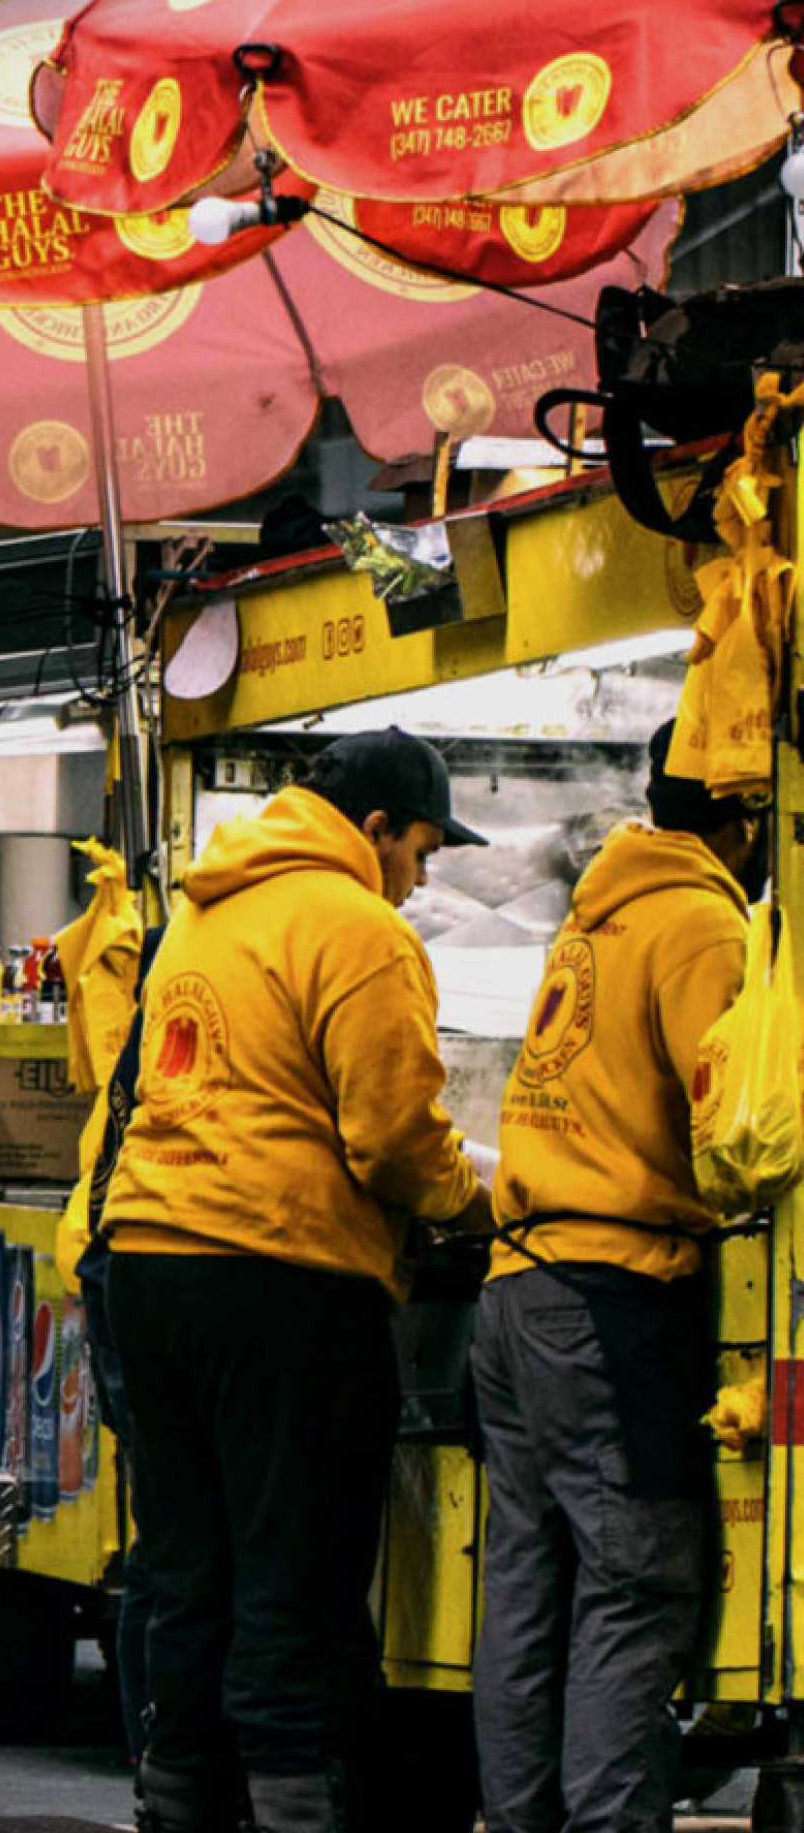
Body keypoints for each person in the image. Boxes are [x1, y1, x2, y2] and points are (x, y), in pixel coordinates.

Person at [100, 728, 490, 1833]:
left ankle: (177, 1802)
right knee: (296, 1567)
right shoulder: (358, 927)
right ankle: (293, 1811)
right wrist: (475, 1204)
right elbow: (393, 1141)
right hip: (283, 1276)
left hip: (150, 1268)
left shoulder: (205, 909)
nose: (418, 880)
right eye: (420, 850)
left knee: (192, 1564)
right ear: (375, 830)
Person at [472, 720, 763, 1833]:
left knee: (530, 1595)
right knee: (636, 1589)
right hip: (607, 1298)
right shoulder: (699, 923)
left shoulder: (599, 912)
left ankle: (523, 1820)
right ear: (743, 818)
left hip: (518, 1291)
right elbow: (732, 1127)